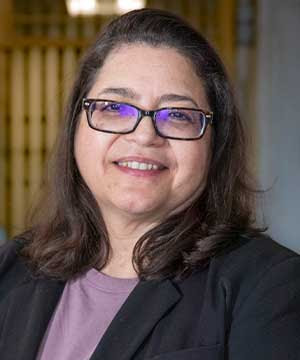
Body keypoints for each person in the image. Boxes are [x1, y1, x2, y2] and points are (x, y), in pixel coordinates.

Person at [0, 8, 299, 360]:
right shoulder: (11, 268)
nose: (144, 136)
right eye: (114, 107)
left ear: (214, 143)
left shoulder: (270, 286)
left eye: (177, 115)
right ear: (76, 127)